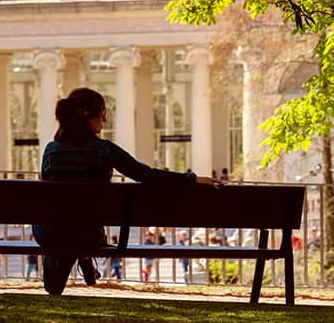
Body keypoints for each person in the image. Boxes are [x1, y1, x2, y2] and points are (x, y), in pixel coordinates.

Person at [35, 87, 219, 295]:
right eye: (103, 115)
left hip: (51, 234)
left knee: (62, 219)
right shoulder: (106, 150)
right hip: (89, 235)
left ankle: (78, 262)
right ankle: (85, 258)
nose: (104, 121)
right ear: (88, 117)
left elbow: (48, 196)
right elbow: (147, 175)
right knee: (81, 223)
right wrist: (190, 178)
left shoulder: (51, 150)